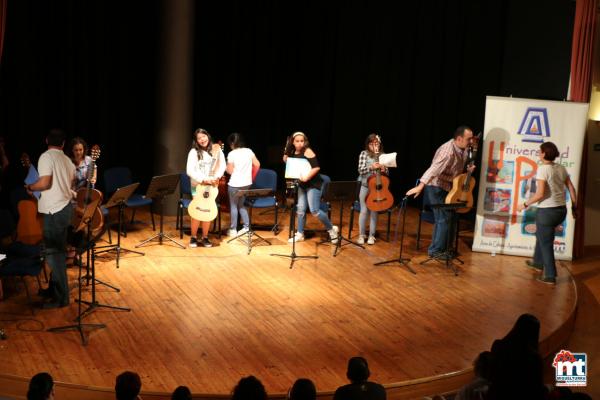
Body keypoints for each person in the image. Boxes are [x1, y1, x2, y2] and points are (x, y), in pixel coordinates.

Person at [406, 126, 475, 258]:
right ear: (459, 139)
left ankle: (446, 249)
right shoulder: (447, 152)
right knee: (443, 218)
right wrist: (420, 186)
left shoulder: (464, 148)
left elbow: (458, 168)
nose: (471, 141)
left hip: (450, 187)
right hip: (435, 186)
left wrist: (468, 170)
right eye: (469, 139)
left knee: (452, 218)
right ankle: (435, 251)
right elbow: (434, 169)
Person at [25, 129, 75, 309]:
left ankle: (62, 299)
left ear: (46, 140)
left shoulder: (46, 157)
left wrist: (31, 186)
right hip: (65, 209)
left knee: (55, 257)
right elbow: (69, 184)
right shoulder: (68, 160)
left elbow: (45, 183)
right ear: (63, 144)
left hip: (55, 213)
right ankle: (54, 290)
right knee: (58, 253)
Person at [517, 142, 577, 284]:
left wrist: (524, 204)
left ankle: (550, 275)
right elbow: (571, 188)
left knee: (546, 243)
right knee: (542, 236)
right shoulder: (561, 168)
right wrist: (575, 207)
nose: (539, 153)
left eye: (540, 151)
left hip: (547, 212)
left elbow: (539, 194)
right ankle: (538, 262)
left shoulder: (543, 169)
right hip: (561, 211)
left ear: (544, 153)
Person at [283, 132, 338, 243]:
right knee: (301, 209)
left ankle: (332, 230)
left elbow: (316, 167)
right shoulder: (292, 151)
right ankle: (300, 234)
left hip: (313, 184)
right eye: (297, 141)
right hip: (302, 184)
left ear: (305, 141)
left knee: (315, 210)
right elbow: (285, 160)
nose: (299, 143)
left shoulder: (307, 151)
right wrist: (287, 149)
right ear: (293, 142)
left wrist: (307, 177)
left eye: (301, 141)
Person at [186, 128, 225, 248]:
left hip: (212, 186)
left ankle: (205, 237)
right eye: (199, 138)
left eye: (204, 136)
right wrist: (203, 179)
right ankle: (193, 237)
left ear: (208, 136)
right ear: (196, 141)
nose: (202, 139)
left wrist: (216, 177)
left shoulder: (216, 149)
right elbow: (189, 170)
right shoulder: (194, 152)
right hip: (197, 186)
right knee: (197, 210)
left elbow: (222, 166)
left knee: (208, 209)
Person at [226, 132, 260, 237]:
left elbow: (230, 171)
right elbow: (257, 164)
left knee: (233, 206)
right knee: (241, 205)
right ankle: (246, 228)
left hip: (235, 184)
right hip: (247, 183)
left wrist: (225, 167)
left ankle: (233, 230)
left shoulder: (232, 154)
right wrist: (251, 176)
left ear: (232, 143)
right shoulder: (249, 151)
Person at [356, 133, 388, 245]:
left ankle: (371, 235)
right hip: (365, 185)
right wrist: (371, 167)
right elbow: (360, 170)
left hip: (377, 187)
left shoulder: (383, 155)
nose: (374, 146)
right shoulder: (364, 154)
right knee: (364, 210)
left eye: (377, 143)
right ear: (368, 144)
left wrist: (384, 169)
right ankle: (361, 235)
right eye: (372, 143)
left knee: (374, 210)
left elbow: (387, 172)